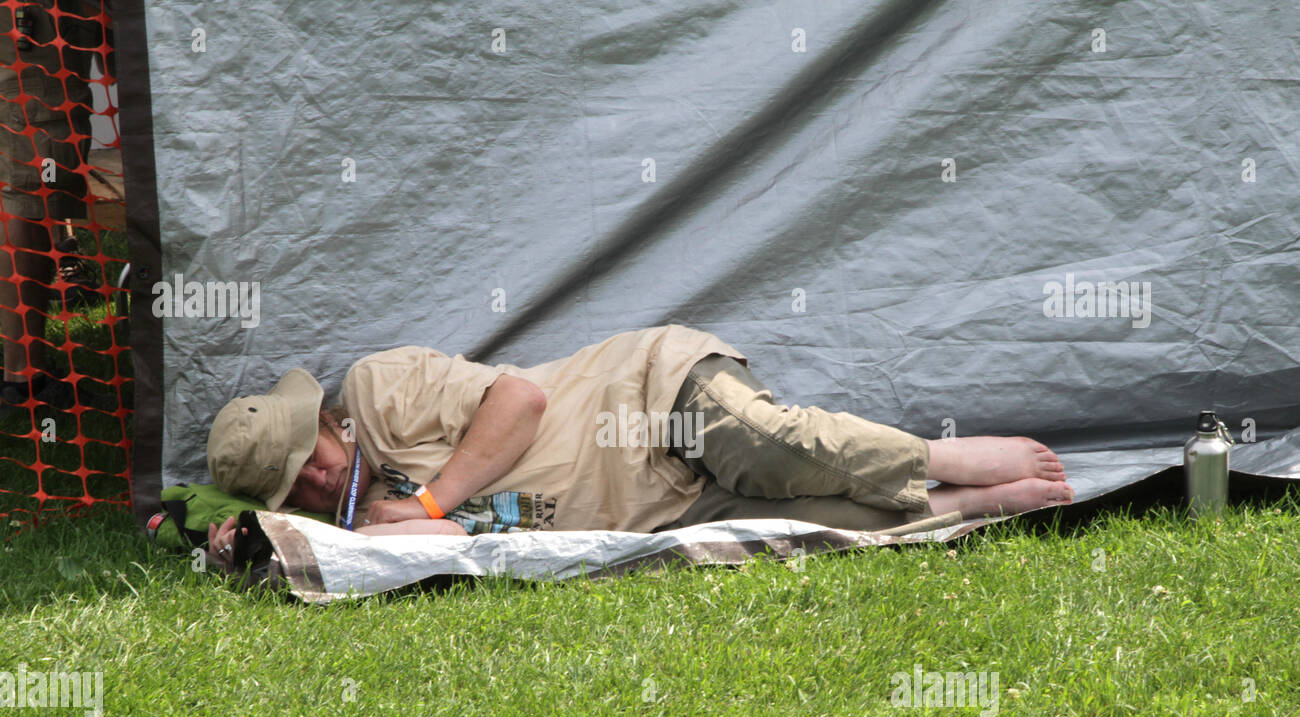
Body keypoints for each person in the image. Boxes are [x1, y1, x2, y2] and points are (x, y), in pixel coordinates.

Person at [204, 325, 1073, 561]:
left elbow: (521, 399)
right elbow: (250, 534)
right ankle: (964, 506)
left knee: (774, 449)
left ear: (322, 419)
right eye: (297, 490)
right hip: (666, 508)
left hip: (654, 397)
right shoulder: (356, 529)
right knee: (821, 526)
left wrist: (429, 498)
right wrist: (256, 536)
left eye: (309, 456)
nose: (318, 479)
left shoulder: (377, 388)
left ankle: (942, 458)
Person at [0, 0, 109, 409]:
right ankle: (23, 380)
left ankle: (24, 369)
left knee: (44, 175)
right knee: (34, 182)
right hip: (38, 14)